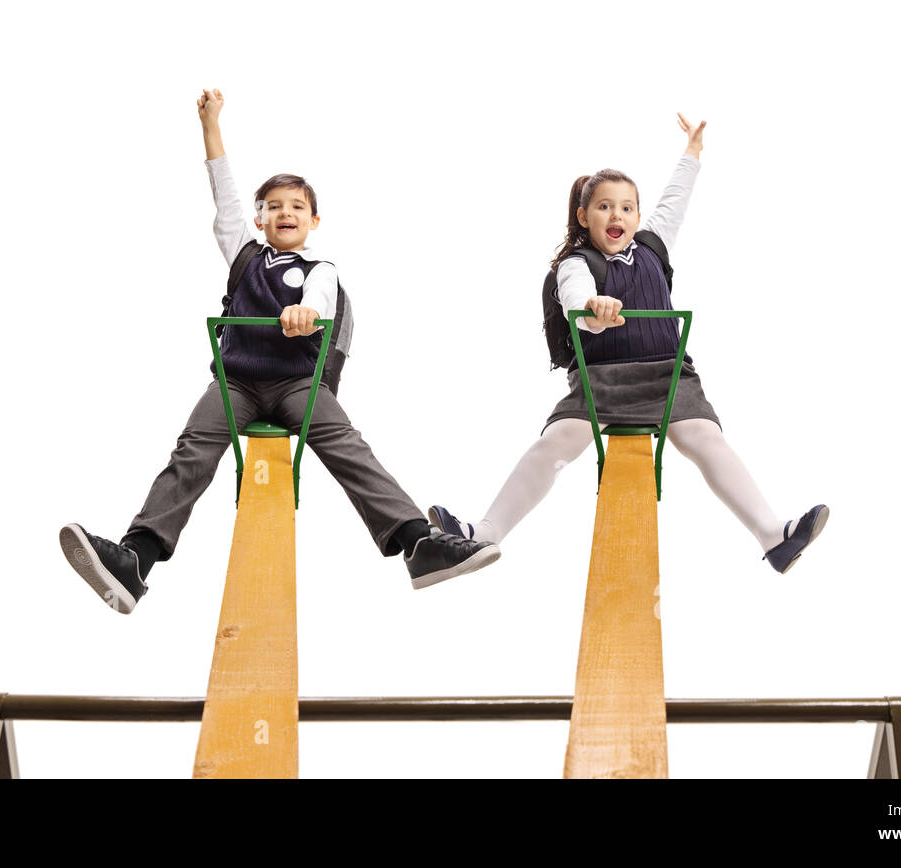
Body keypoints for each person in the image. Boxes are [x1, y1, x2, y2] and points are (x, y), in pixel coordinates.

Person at [60, 89, 499, 613]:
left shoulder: (322, 272)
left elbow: (317, 304)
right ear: (260, 219)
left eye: (298, 207)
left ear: (314, 221)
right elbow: (223, 193)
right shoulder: (243, 256)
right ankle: (135, 560)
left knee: (347, 447)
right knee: (193, 450)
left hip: (298, 383)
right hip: (237, 381)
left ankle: (418, 543)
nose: (285, 212)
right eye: (273, 208)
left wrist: (303, 314)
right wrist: (211, 127)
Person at [428, 114, 828, 574]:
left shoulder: (654, 246)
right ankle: (484, 532)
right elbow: (578, 305)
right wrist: (595, 310)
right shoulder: (576, 265)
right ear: (583, 216)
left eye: (626, 208)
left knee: (705, 437)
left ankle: (772, 534)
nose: (616, 216)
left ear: (638, 216)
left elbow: (677, 196)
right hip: (602, 382)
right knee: (556, 443)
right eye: (603, 207)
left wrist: (693, 151)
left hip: (668, 374)